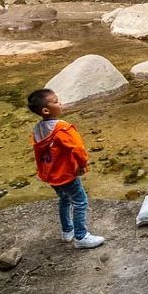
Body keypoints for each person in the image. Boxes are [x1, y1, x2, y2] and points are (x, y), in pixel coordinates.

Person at [26, 89, 105, 249]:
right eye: (55, 101)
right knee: (80, 202)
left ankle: (67, 231)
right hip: (66, 174)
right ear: (45, 110)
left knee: (64, 200)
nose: (60, 103)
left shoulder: (37, 129)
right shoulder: (62, 128)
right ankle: (81, 236)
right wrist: (82, 165)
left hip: (50, 174)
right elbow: (78, 148)